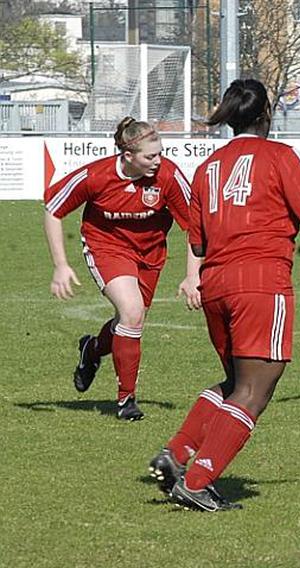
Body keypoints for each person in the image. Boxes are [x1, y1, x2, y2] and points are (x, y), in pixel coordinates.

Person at [149, 79, 300, 512]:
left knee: (236, 384)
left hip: (216, 285)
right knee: (255, 391)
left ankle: (177, 452)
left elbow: (198, 243)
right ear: (265, 115)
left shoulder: (209, 167)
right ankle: (197, 481)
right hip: (261, 282)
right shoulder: (279, 156)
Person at [43, 117, 200, 421]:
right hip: (107, 249)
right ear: (128, 156)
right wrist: (60, 265)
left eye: (160, 154)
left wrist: (193, 275)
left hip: (151, 256)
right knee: (132, 312)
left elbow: (195, 227)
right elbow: (53, 210)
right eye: (150, 156)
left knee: (128, 322)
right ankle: (126, 401)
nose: (158, 161)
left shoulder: (168, 175)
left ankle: (92, 349)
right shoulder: (96, 176)